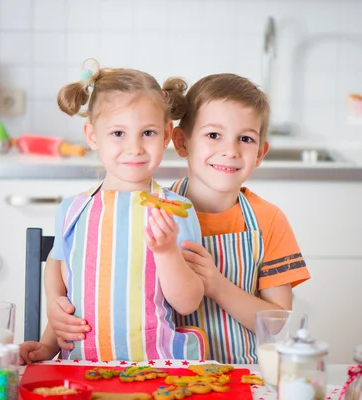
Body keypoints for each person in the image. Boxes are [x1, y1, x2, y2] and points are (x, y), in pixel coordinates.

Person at [45, 73, 310, 364]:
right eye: (213, 135)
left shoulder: (266, 220)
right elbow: (77, 270)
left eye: (245, 139)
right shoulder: (157, 209)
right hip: (176, 366)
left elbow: (276, 322)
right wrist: (57, 311)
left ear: (260, 152)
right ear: (181, 142)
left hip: (240, 368)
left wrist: (216, 285)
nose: (230, 151)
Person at [19, 61, 207, 364]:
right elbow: (59, 270)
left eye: (147, 132)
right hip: (82, 367)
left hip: (158, 366)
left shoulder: (177, 210)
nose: (134, 148)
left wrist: (166, 250)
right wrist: (49, 339)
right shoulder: (73, 210)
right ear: (93, 136)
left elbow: (187, 302)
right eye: (118, 133)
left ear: (166, 135)